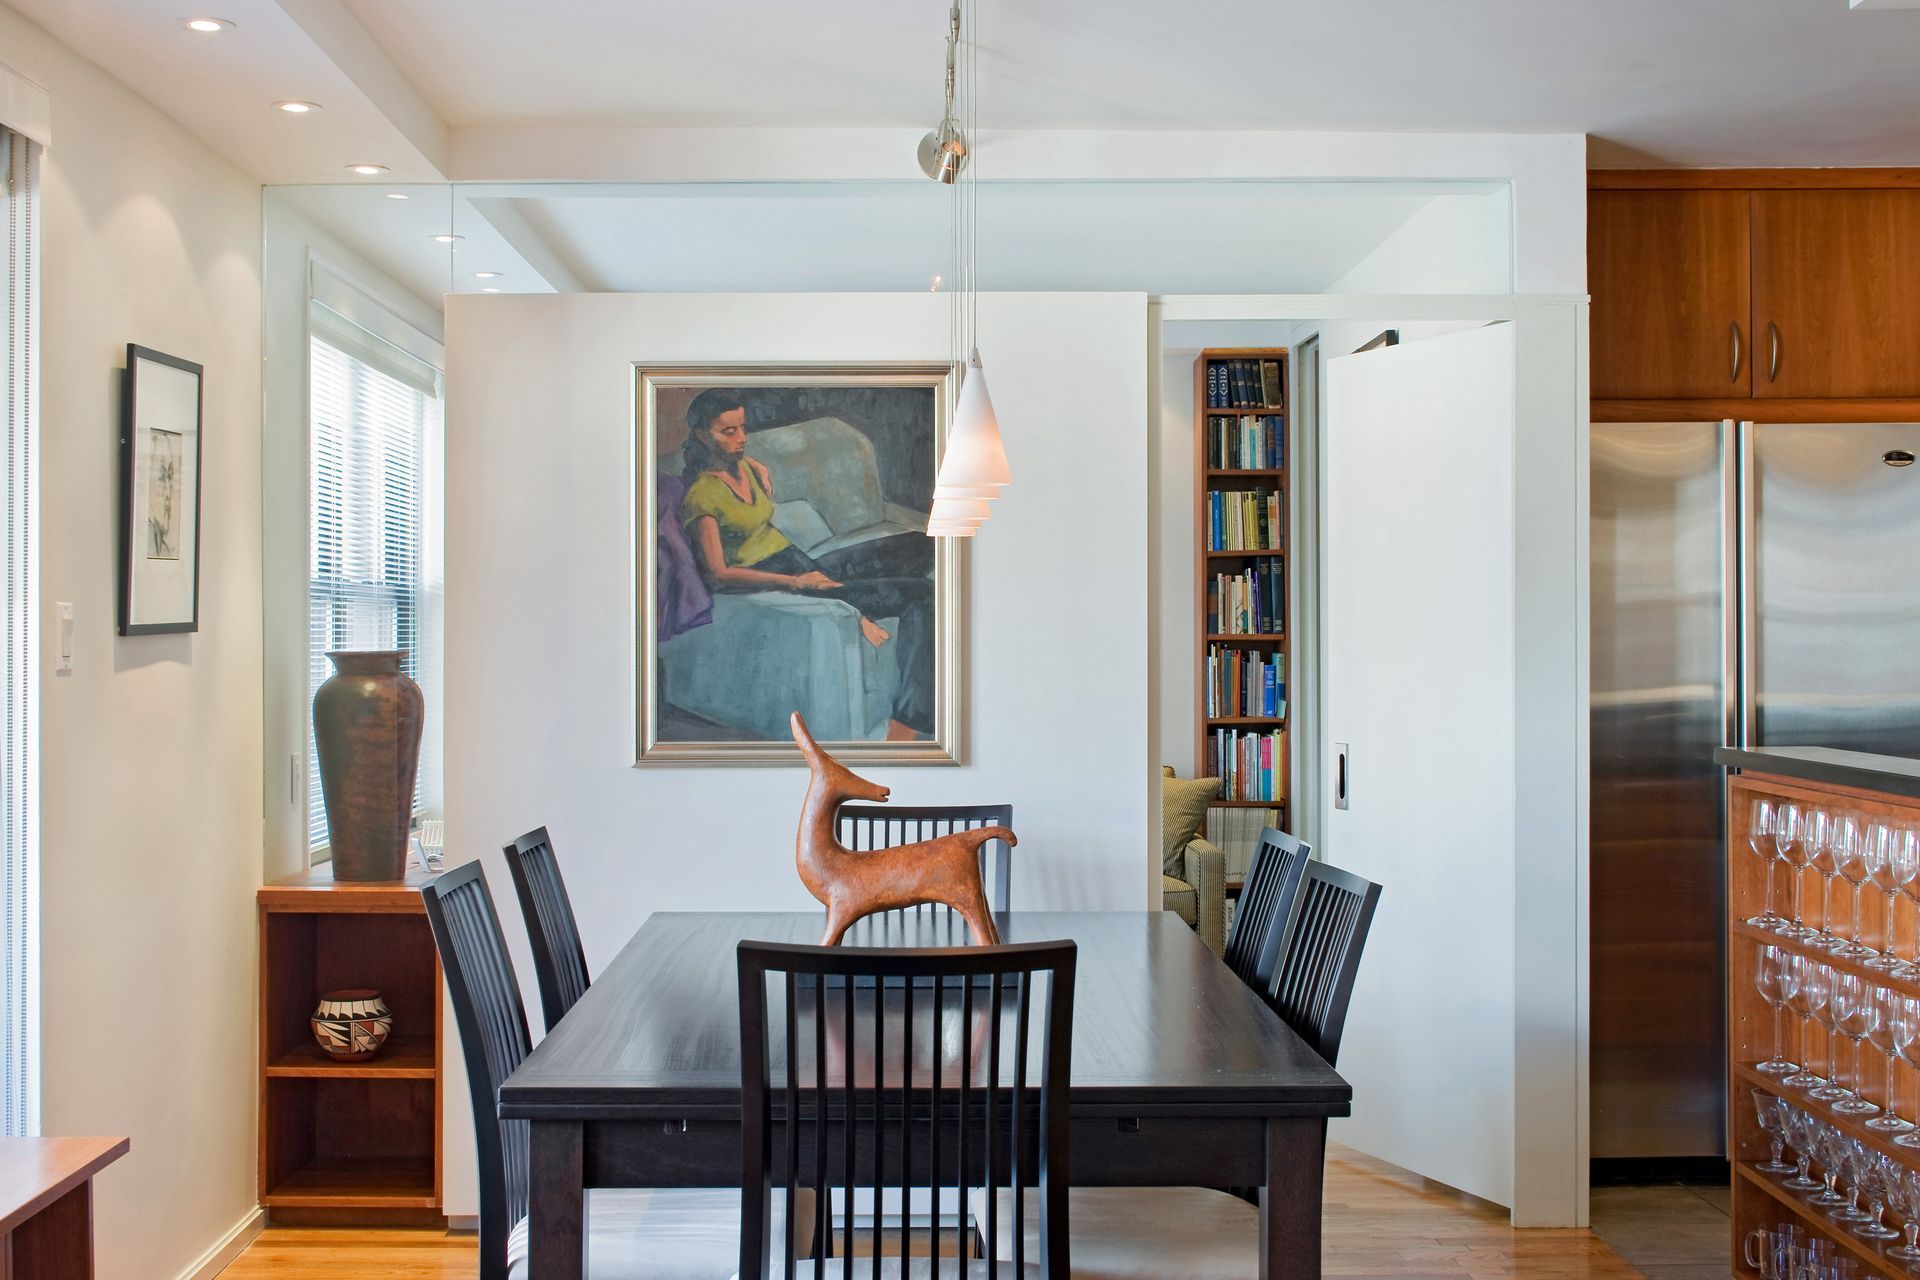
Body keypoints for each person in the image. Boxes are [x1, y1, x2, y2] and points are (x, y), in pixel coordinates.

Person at [678, 388, 935, 737]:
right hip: (788, 579)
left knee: (924, 545)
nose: (741, 440)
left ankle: (869, 616)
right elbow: (718, 574)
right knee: (925, 595)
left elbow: (742, 468)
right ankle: (908, 722)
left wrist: (749, 464)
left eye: (743, 428)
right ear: (701, 435)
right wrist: (797, 585)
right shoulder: (700, 496)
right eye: (728, 432)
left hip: (801, 559)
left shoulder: (745, 467)